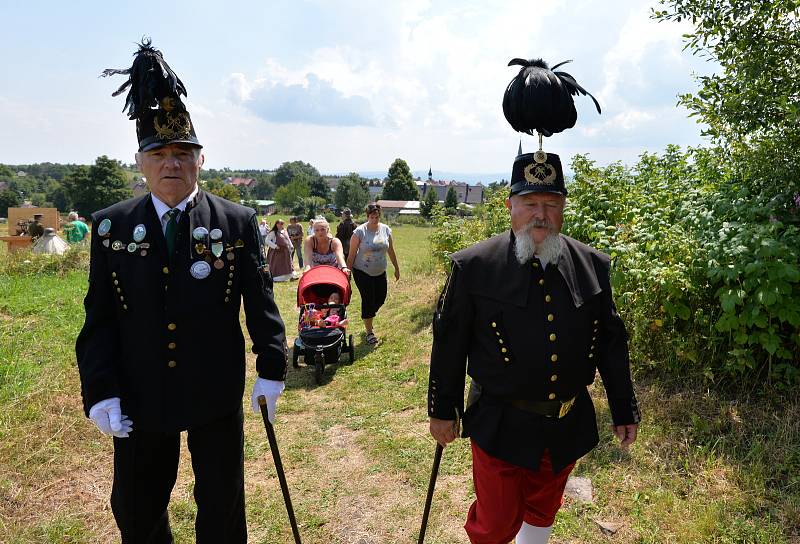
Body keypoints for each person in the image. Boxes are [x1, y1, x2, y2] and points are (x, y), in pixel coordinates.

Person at [76, 40, 288, 543]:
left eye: (182, 153)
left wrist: (273, 365)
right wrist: (100, 389)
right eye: (159, 154)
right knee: (136, 506)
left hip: (213, 389)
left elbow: (260, 301)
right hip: (139, 392)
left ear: (200, 159)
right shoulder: (111, 226)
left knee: (221, 506)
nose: (171, 164)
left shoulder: (235, 222)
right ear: (141, 161)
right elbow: (100, 317)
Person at [427, 152, 640, 544]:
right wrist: (443, 410)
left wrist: (624, 407)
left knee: (544, 509)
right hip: (500, 425)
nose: (540, 215)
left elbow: (611, 342)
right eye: (529, 204)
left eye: (551, 205)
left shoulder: (593, 265)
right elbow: (450, 343)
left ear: (562, 208)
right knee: (495, 523)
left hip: (565, 421)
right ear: (510, 205)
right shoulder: (474, 266)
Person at [345, 203, 399, 346]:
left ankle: (368, 316)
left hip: (380, 271)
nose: (374, 219)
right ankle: (369, 332)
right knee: (368, 299)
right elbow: (351, 256)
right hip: (362, 271)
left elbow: (391, 250)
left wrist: (396, 267)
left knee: (381, 298)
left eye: (376, 217)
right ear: (367, 216)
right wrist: (347, 274)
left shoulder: (386, 230)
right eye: (371, 217)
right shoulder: (359, 232)